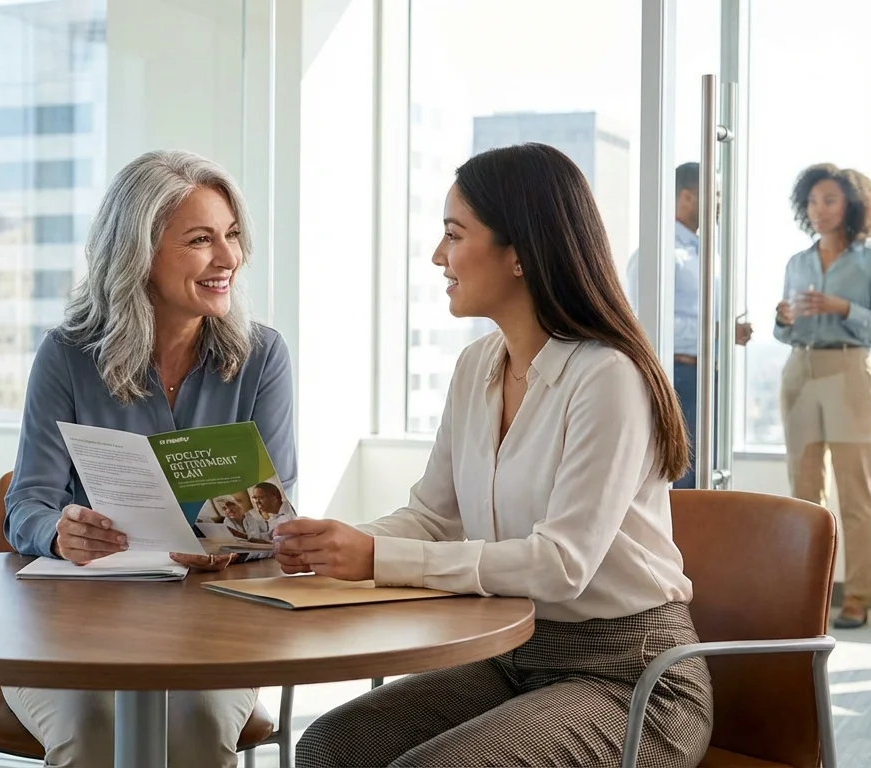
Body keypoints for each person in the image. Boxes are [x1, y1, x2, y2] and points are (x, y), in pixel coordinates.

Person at [279, 143, 712, 768]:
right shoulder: (475, 366)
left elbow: (561, 566)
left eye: (454, 235)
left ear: (520, 254)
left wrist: (377, 558)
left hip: (631, 679)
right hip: (509, 657)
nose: (438, 255)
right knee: (330, 746)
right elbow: (432, 517)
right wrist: (334, 544)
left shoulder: (608, 376)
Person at [2, 149, 296, 768]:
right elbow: (27, 503)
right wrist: (59, 532)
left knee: (197, 726)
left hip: (216, 623)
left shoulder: (262, 356)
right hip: (80, 622)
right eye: (201, 240)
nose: (228, 258)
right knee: (92, 731)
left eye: (232, 235)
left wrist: (232, 543)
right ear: (138, 254)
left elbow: (274, 513)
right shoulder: (67, 356)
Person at [774, 163, 871, 630]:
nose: (818, 210)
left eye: (829, 200)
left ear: (850, 206)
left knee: (856, 494)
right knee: (804, 494)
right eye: (812, 201)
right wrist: (782, 318)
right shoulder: (796, 263)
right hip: (800, 370)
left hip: (850, 370)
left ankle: (857, 598)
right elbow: (784, 332)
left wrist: (844, 308)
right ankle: (807, 600)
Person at [627, 162, 752, 489]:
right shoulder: (660, 252)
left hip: (707, 375)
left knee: (705, 476)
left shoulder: (706, 254)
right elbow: (648, 322)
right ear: (687, 197)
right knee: (680, 477)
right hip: (678, 377)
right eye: (716, 195)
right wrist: (716, 331)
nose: (721, 203)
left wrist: (727, 331)